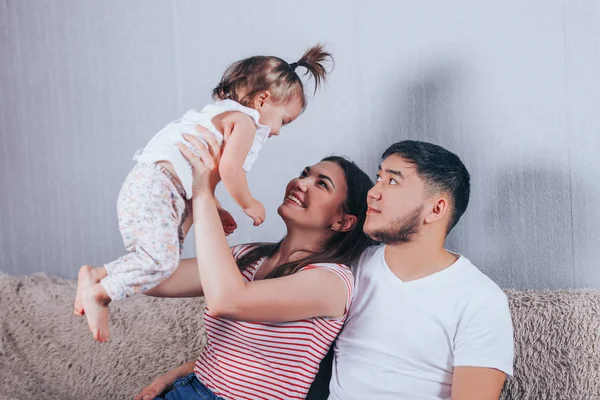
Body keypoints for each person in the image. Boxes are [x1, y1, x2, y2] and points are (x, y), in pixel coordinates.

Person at [73, 44, 333, 343]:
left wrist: (216, 207)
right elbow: (230, 171)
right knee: (160, 262)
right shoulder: (245, 123)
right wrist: (248, 203)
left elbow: (202, 173)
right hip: (161, 187)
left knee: (157, 259)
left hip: (160, 184)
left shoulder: (222, 115)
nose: (276, 132)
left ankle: (97, 274)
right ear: (263, 100)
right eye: (283, 121)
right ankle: (102, 293)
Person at [132, 130, 374, 399]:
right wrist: (189, 202)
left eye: (322, 184)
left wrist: (204, 195)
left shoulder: (330, 282)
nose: (301, 182)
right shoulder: (248, 256)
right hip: (190, 389)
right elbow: (148, 278)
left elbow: (228, 301)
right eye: (305, 173)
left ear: (342, 221)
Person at [327, 140, 514, 400]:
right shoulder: (350, 269)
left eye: (392, 182)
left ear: (436, 209)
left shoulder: (480, 300)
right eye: (379, 177)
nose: (373, 191)